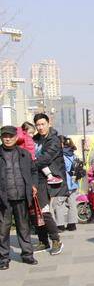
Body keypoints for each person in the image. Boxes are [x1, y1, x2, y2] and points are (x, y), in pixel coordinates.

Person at [0, 126, 39, 270]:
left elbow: (34, 171)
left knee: (24, 227)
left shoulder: (24, 154)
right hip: (3, 199)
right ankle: (3, 258)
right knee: (3, 230)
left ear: (16, 137)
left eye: (10, 136)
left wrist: (33, 185)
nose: (8, 138)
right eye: (5, 136)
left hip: (22, 197)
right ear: (1, 138)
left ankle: (27, 255)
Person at [33, 113, 66, 255]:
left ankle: (56, 240)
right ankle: (43, 241)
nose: (40, 127)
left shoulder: (54, 140)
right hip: (34, 177)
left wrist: (29, 164)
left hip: (46, 179)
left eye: (42, 124)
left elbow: (46, 158)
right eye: (38, 125)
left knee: (44, 210)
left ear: (48, 123)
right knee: (35, 211)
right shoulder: (35, 139)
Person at [52, 137, 80, 231]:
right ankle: (72, 224)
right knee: (72, 203)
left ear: (61, 144)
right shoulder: (72, 154)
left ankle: (60, 225)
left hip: (63, 183)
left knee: (58, 204)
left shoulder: (61, 155)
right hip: (73, 182)